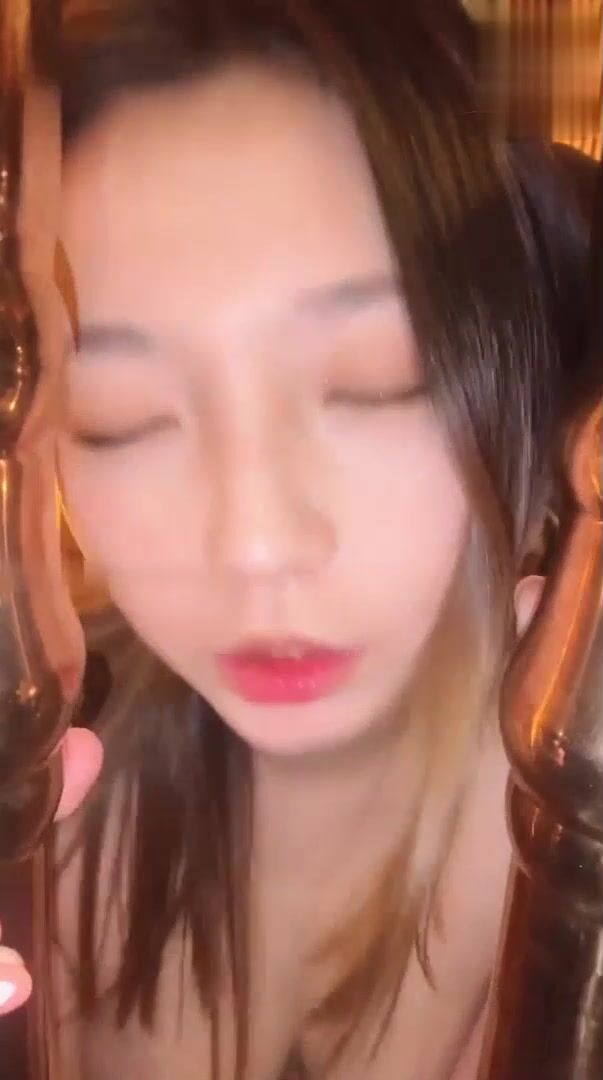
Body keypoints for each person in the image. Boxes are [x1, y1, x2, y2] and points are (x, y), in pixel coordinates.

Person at [6, 1, 595, 1078]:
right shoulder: (51, 835)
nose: (255, 546)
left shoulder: (578, 828)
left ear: (504, 363)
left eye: (374, 377)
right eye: (119, 413)